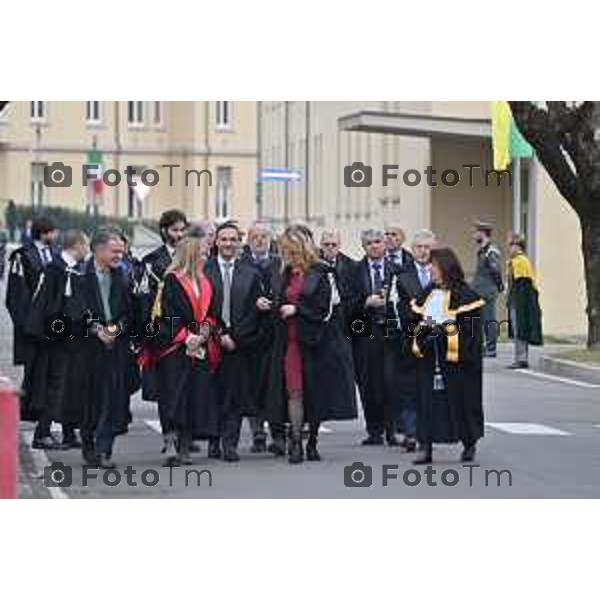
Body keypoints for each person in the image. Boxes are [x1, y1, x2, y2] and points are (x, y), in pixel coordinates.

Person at [264, 226, 356, 463]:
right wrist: (271, 306)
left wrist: (297, 309)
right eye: (283, 251)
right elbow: (280, 301)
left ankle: (312, 441)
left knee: (316, 393)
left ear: (299, 249)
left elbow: (326, 309)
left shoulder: (322, 272)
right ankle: (295, 441)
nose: (285, 255)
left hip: (318, 341)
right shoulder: (285, 273)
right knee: (295, 392)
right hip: (291, 341)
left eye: (289, 251)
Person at [152, 227, 221, 466]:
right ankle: (170, 442)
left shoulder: (206, 281)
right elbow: (166, 316)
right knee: (174, 396)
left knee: (194, 397)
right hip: (174, 348)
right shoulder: (172, 280)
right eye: (203, 252)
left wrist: (203, 333)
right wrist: (185, 336)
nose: (207, 255)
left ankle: (184, 445)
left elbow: (212, 314)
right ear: (191, 253)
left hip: (198, 346)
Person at [409, 247, 485, 465]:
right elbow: (415, 321)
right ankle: (425, 447)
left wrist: (445, 335)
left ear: (445, 267)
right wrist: (423, 336)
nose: (430, 270)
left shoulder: (467, 296)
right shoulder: (427, 293)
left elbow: (470, 332)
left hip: (456, 362)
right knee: (427, 402)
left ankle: (469, 443)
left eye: (433, 266)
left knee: (461, 402)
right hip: (429, 357)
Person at [204, 221, 264, 462]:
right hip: (211, 342)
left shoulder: (251, 273)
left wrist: (236, 338)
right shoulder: (204, 271)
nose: (228, 244)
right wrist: (220, 334)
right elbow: (202, 309)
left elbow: (254, 311)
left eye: (233, 240)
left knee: (236, 396)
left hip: (240, 345)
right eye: (224, 239)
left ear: (240, 243)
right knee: (212, 394)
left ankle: (230, 444)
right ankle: (213, 441)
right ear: (216, 242)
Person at [26, 230, 90, 450]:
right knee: (54, 387)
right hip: (55, 340)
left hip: (71, 340)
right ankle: (42, 433)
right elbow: (48, 307)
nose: (87, 250)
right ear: (77, 245)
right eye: (86, 245)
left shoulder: (71, 270)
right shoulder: (56, 270)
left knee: (70, 386)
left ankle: (68, 432)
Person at [78, 228, 134, 468]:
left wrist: (115, 330)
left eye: (122, 251)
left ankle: (103, 449)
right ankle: (89, 444)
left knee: (113, 398)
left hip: (115, 345)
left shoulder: (122, 276)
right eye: (115, 251)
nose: (120, 256)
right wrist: (96, 330)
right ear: (99, 250)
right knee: (91, 399)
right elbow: (73, 310)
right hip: (88, 348)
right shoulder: (79, 275)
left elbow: (128, 311)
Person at [5, 215, 59, 444]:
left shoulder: (55, 256)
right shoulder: (23, 256)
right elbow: (16, 296)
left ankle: (42, 425)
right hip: (32, 331)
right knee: (35, 378)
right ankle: (32, 424)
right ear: (44, 232)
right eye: (53, 232)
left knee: (50, 379)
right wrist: (29, 326)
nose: (55, 236)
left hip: (52, 331)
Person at [348, 228, 402, 447]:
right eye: (369, 243)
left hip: (390, 330)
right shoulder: (354, 271)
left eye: (378, 241)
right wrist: (364, 303)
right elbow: (346, 303)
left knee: (390, 382)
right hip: (364, 330)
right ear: (364, 246)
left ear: (385, 244)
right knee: (368, 382)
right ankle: (374, 431)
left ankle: (392, 430)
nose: (374, 246)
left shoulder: (396, 270)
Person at [138, 210, 188, 420]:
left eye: (182, 230)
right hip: (163, 330)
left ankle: (185, 434)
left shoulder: (190, 257)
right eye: (175, 230)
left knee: (187, 387)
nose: (179, 234)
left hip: (188, 328)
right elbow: (146, 299)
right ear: (164, 231)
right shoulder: (152, 261)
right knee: (166, 387)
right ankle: (170, 434)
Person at [393, 229, 438, 452]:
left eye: (428, 247)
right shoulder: (401, 275)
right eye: (419, 247)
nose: (423, 251)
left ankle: (428, 432)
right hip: (411, 338)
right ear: (412, 250)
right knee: (409, 388)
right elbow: (403, 309)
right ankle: (411, 433)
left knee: (431, 388)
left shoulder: (443, 274)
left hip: (438, 341)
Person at [240, 221, 283, 453]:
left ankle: (278, 435)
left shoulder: (279, 264)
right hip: (251, 334)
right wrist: (253, 303)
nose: (259, 240)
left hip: (275, 333)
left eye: (263, 236)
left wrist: (275, 304)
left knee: (274, 386)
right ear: (248, 240)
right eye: (255, 236)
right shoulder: (241, 264)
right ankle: (257, 432)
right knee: (252, 384)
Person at [506, 233, 543, 369]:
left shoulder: (521, 261)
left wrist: (516, 303)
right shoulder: (514, 261)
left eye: (511, 245)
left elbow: (522, 285)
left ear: (518, 246)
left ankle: (521, 359)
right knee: (517, 330)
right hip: (515, 301)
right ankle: (520, 358)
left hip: (519, 302)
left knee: (520, 329)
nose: (509, 248)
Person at [471, 221, 504, 358]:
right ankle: (484, 346)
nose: (474, 235)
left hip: (488, 291)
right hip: (479, 290)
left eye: (476, 232)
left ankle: (491, 348)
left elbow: (495, 271)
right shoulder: (482, 250)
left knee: (489, 319)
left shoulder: (491, 251)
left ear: (483, 233)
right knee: (480, 319)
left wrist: (499, 286)